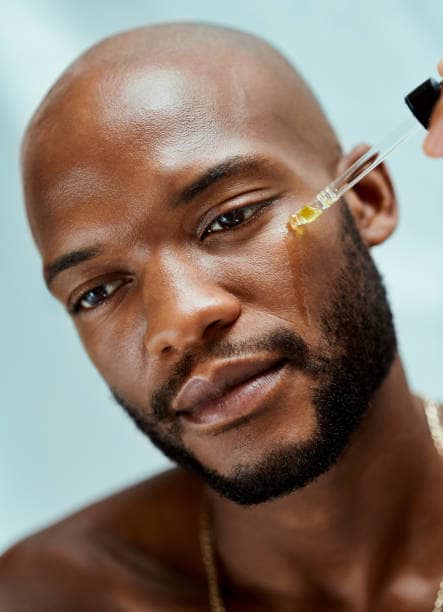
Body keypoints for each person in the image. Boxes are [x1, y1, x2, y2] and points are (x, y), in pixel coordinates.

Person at [1, 22, 442, 611]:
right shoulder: (44, 596)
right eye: (97, 291)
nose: (176, 322)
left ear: (366, 201)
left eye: (229, 219)